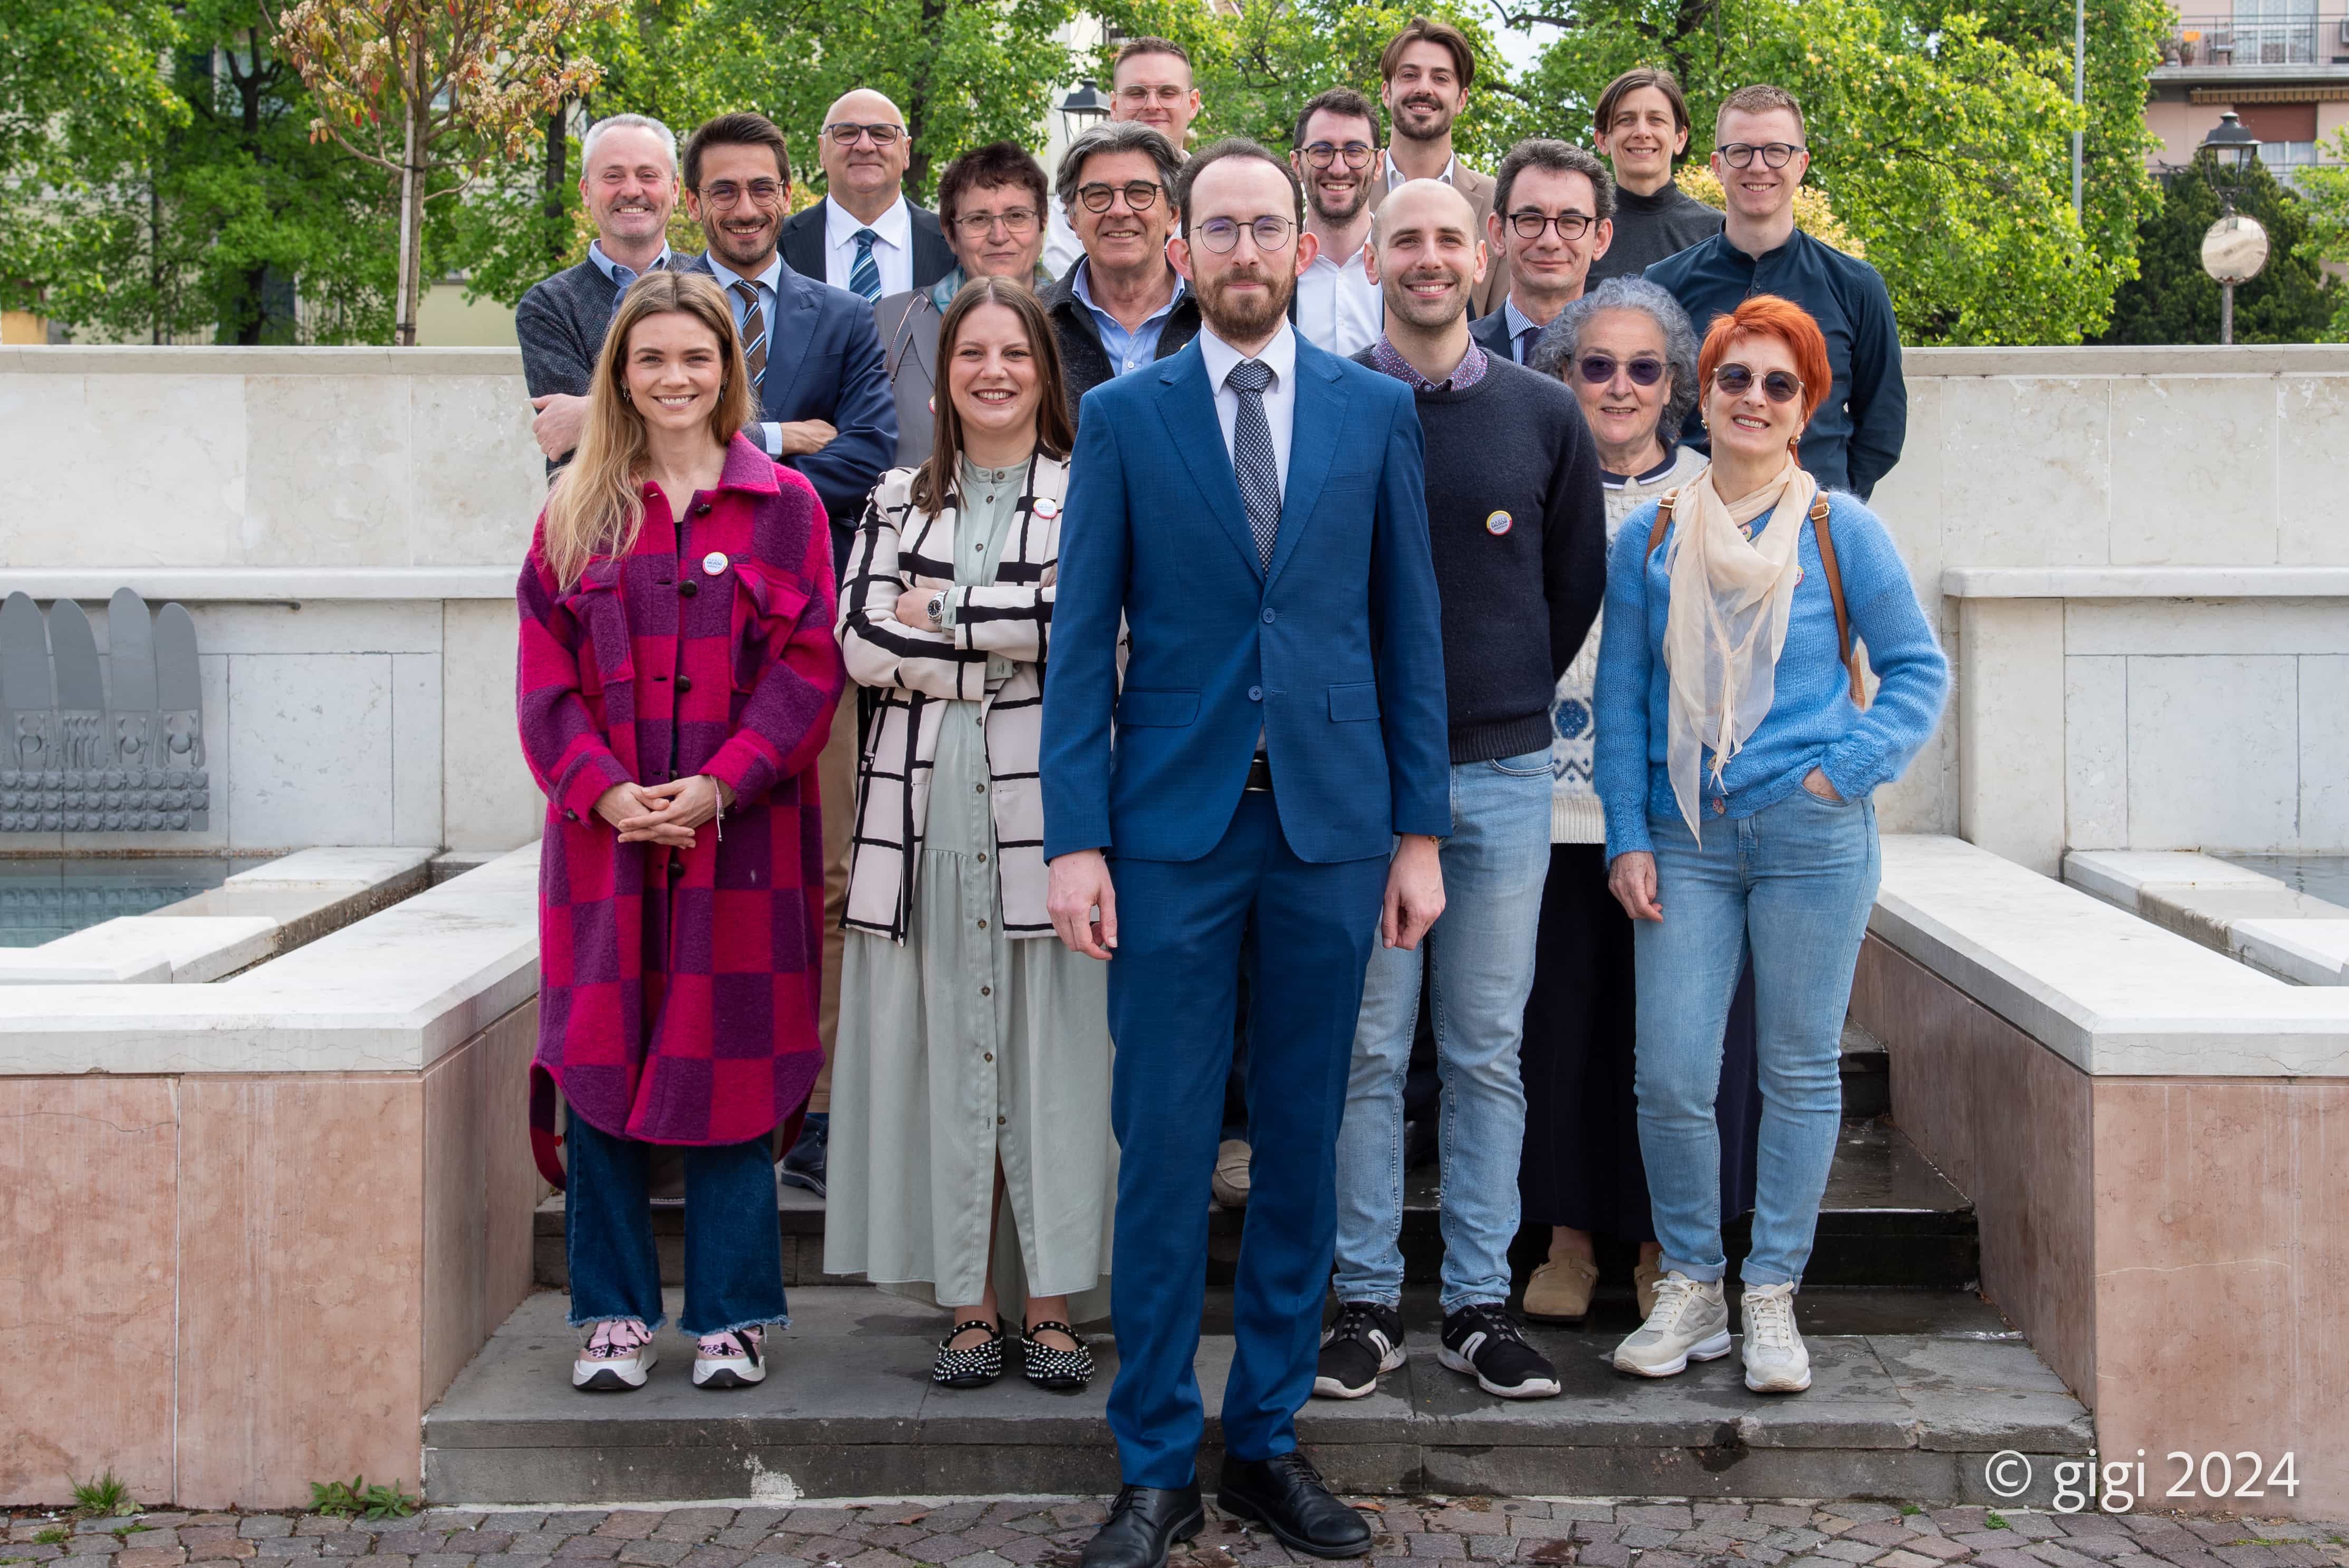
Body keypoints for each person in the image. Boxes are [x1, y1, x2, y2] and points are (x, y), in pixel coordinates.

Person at [1041, 139, 1448, 1568]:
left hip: (1333, 828)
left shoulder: (1372, 410)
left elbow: (1407, 633)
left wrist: (1416, 831)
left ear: (1296, 244)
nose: (1239, 248)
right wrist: (1075, 838)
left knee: (1300, 1138)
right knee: (1158, 1143)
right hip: (1167, 828)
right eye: (1215, 226)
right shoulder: (1123, 416)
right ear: (1181, 246)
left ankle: (1266, 1439)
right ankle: (1153, 1455)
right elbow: (1077, 642)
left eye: (1261, 225)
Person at [1594, 294, 1947, 1394]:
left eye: (1777, 383)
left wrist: (1834, 771)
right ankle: (1694, 1281)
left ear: (1806, 407)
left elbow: (1917, 671)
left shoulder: (1844, 529)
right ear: (1704, 395)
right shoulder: (1652, 533)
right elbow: (1623, 701)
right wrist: (1626, 835)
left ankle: (1772, 1291)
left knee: (1797, 1070)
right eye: (1734, 379)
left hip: (1811, 835)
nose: (1752, 399)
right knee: (1672, 1074)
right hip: (1684, 836)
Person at [514, 270, 845, 1395]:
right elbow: (545, 680)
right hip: (603, 843)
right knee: (600, 1063)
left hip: (738, 844)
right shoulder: (576, 508)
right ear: (620, 373)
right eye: (650, 358)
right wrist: (603, 790)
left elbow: (808, 673)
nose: (674, 377)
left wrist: (719, 785)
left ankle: (732, 1314)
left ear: (729, 370)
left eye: (695, 358)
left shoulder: (786, 508)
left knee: (732, 1065)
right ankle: (611, 1313)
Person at [1315, 179, 1602, 1406]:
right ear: (1371, 257)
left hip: (1504, 774)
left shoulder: (1546, 415)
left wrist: (1494, 699)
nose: (1427, 261)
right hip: (1366, 788)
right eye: (1405, 241)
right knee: (1368, 1050)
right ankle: (1365, 1299)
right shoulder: (1333, 411)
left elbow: (1571, 583)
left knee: (1486, 1049)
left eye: (1447, 238)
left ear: (1481, 255)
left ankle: (1478, 1302)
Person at [826, 277, 1115, 1393]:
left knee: (1054, 1058)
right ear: (943, 374)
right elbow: (856, 640)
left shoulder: (1091, 489)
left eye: (1015, 354)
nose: (993, 371)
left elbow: (1088, 626)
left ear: (1046, 372)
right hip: (921, 814)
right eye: (970, 354)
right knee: (946, 1055)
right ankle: (968, 1304)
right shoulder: (897, 495)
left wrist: (937, 615)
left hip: (1048, 818)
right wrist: (1001, 639)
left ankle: (1051, 1306)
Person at [1514, 276, 1761, 1325]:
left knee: (1675, 1038)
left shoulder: (1716, 493)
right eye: (1596, 365)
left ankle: (1671, 1244)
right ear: (1565, 376)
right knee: (1558, 1028)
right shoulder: (1530, 476)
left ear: (1677, 387)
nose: (1618, 386)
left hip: (1679, 818)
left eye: (1643, 368)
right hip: (1547, 807)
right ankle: (1566, 1241)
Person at [680, 110, 897, 1199]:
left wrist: (729, 458)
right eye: (724, 190)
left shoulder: (842, 316)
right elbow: (640, 448)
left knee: (827, 875)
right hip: (677, 632)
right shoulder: (660, 309)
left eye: (763, 188)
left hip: (807, 626)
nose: (748, 207)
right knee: (689, 867)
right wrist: (781, 437)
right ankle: (696, 1088)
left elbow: (868, 455)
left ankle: (811, 1109)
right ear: (695, 201)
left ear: (787, 194)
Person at [1644, 85, 1904, 499]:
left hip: (1814, 526)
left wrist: (1829, 500)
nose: (1758, 166)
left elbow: (1883, 426)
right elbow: (1645, 413)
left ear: (1800, 165)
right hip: (1693, 520)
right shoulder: (1662, 285)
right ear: (1717, 165)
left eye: (1776, 151)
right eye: (1741, 152)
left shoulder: (1856, 287)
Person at [874, 142, 1054, 466]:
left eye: (1016, 216)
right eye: (978, 220)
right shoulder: (891, 323)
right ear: (949, 232)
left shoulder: (1073, 319)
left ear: (1042, 224)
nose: (999, 235)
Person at [517, 113, 682, 469]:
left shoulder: (711, 283)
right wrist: (684, 409)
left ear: (674, 189)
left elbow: (733, 414)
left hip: (706, 514)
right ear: (586, 192)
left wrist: (594, 412)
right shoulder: (548, 305)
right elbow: (569, 441)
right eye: (612, 176)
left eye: (648, 175)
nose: (632, 189)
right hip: (597, 518)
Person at [1039, 121, 1200, 424]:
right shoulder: (1033, 323)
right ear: (1073, 218)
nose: (1119, 211)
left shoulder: (1215, 318)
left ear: (1173, 214)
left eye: (1139, 193)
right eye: (1098, 195)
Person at [1368, 17, 1505, 316]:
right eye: (1409, 75)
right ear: (1387, 92)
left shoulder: (1499, 202)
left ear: (1461, 100)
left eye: (1441, 78)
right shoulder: (1352, 193)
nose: (1424, 89)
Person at [1042, 37, 1202, 275]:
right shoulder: (1080, 193)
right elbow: (1064, 282)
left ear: (1192, 104)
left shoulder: (1215, 193)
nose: (1152, 105)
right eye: (1136, 93)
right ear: (1114, 106)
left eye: (1168, 93)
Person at [780, 90, 956, 301]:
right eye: (846, 133)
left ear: (907, 151)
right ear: (821, 150)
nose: (864, 146)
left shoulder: (955, 243)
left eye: (881, 134)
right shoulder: (777, 244)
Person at [1469, 140, 1613, 366]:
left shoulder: (1631, 363)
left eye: (1571, 222)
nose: (1550, 241)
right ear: (1498, 234)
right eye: (1530, 220)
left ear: (1600, 238)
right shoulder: (1457, 356)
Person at [1586, 68, 1723, 287]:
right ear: (1603, 140)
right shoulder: (1582, 229)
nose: (1642, 132)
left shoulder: (1717, 234)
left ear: (1680, 138)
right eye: (1626, 120)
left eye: (1656, 120)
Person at [1289, 88, 1383, 357]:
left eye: (1355, 151)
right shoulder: (1273, 264)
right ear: (1297, 164)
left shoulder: (1405, 262)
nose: (1339, 168)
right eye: (1322, 150)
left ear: (1377, 165)